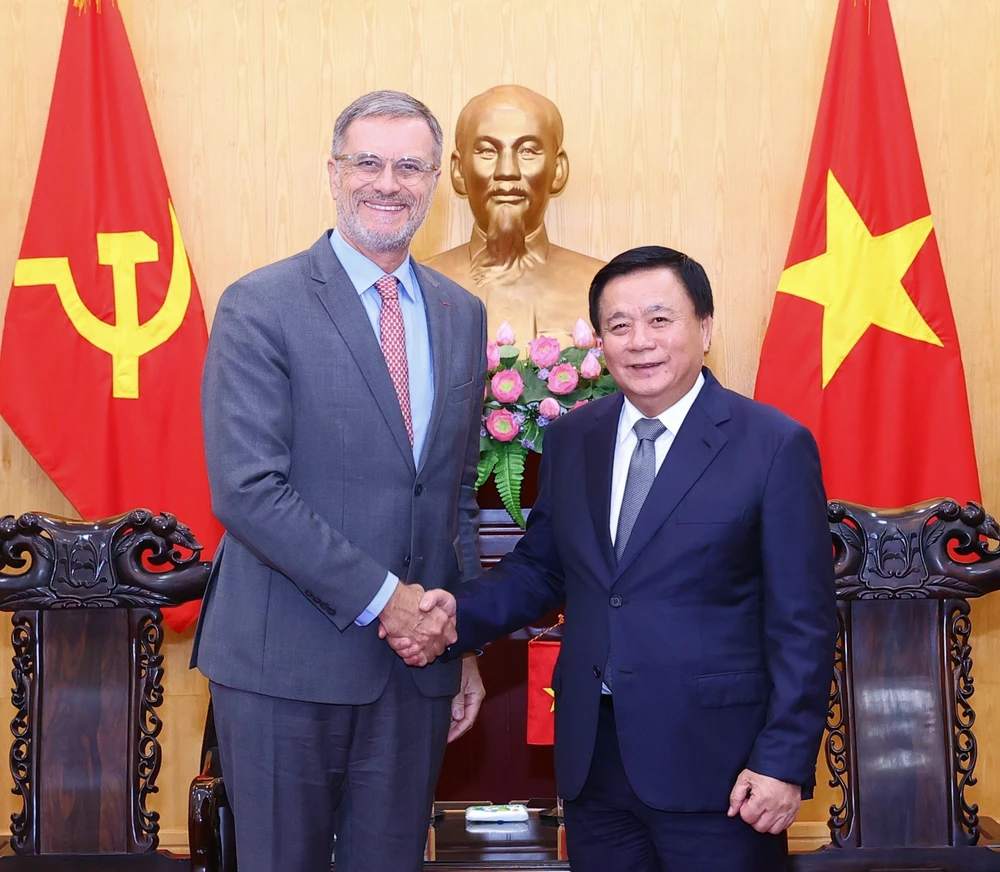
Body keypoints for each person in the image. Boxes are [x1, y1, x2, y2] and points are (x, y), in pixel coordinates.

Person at [393, 246, 837, 872]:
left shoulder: (772, 445)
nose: (639, 342)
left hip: (722, 770)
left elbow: (805, 623)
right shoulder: (575, 437)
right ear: (600, 340)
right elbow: (543, 569)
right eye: (619, 325)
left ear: (705, 328)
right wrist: (453, 616)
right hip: (593, 761)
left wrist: (783, 761)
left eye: (660, 320)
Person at [192, 90, 487, 872]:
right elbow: (249, 489)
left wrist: (465, 642)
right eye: (368, 162)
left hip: (415, 669)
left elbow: (453, 492)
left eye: (410, 166)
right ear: (332, 172)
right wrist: (390, 600)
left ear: (435, 182)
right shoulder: (261, 305)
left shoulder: (462, 313)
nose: (387, 182)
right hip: (283, 661)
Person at [425, 84, 605, 346]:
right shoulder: (416, 287)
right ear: (458, 171)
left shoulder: (603, 287)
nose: (506, 171)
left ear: (558, 170)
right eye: (487, 151)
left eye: (528, 151)